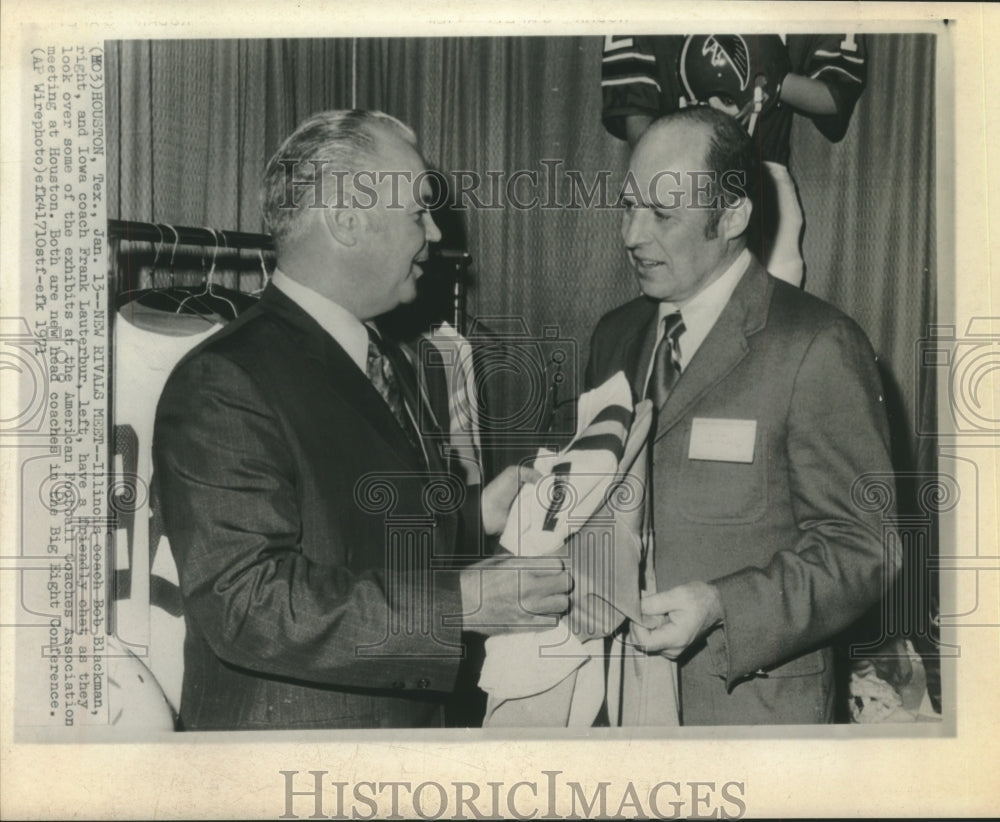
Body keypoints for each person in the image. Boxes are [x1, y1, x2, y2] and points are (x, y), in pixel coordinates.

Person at [152, 110, 571, 731]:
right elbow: (248, 606)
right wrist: (462, 603)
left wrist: (475, 512)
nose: (433, 234)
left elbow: (352, 515)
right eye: (417, 212)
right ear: (347, 219)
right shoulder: (224, 381)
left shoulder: (382, 355)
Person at [585, 106, 899, 725]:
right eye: (627, 205)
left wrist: (721, 605)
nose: (631, 235)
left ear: (731, 216)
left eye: (662, 214)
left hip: (749, 713)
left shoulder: (816, 345)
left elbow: (868, 549)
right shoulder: (613, 336)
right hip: (616, 701)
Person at [601, 33, 867, 287]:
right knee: (682, 318)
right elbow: (637, 118)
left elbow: (835, 94)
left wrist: (768, 78)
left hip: (762, 178)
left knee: (772, 319)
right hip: (676, 179)